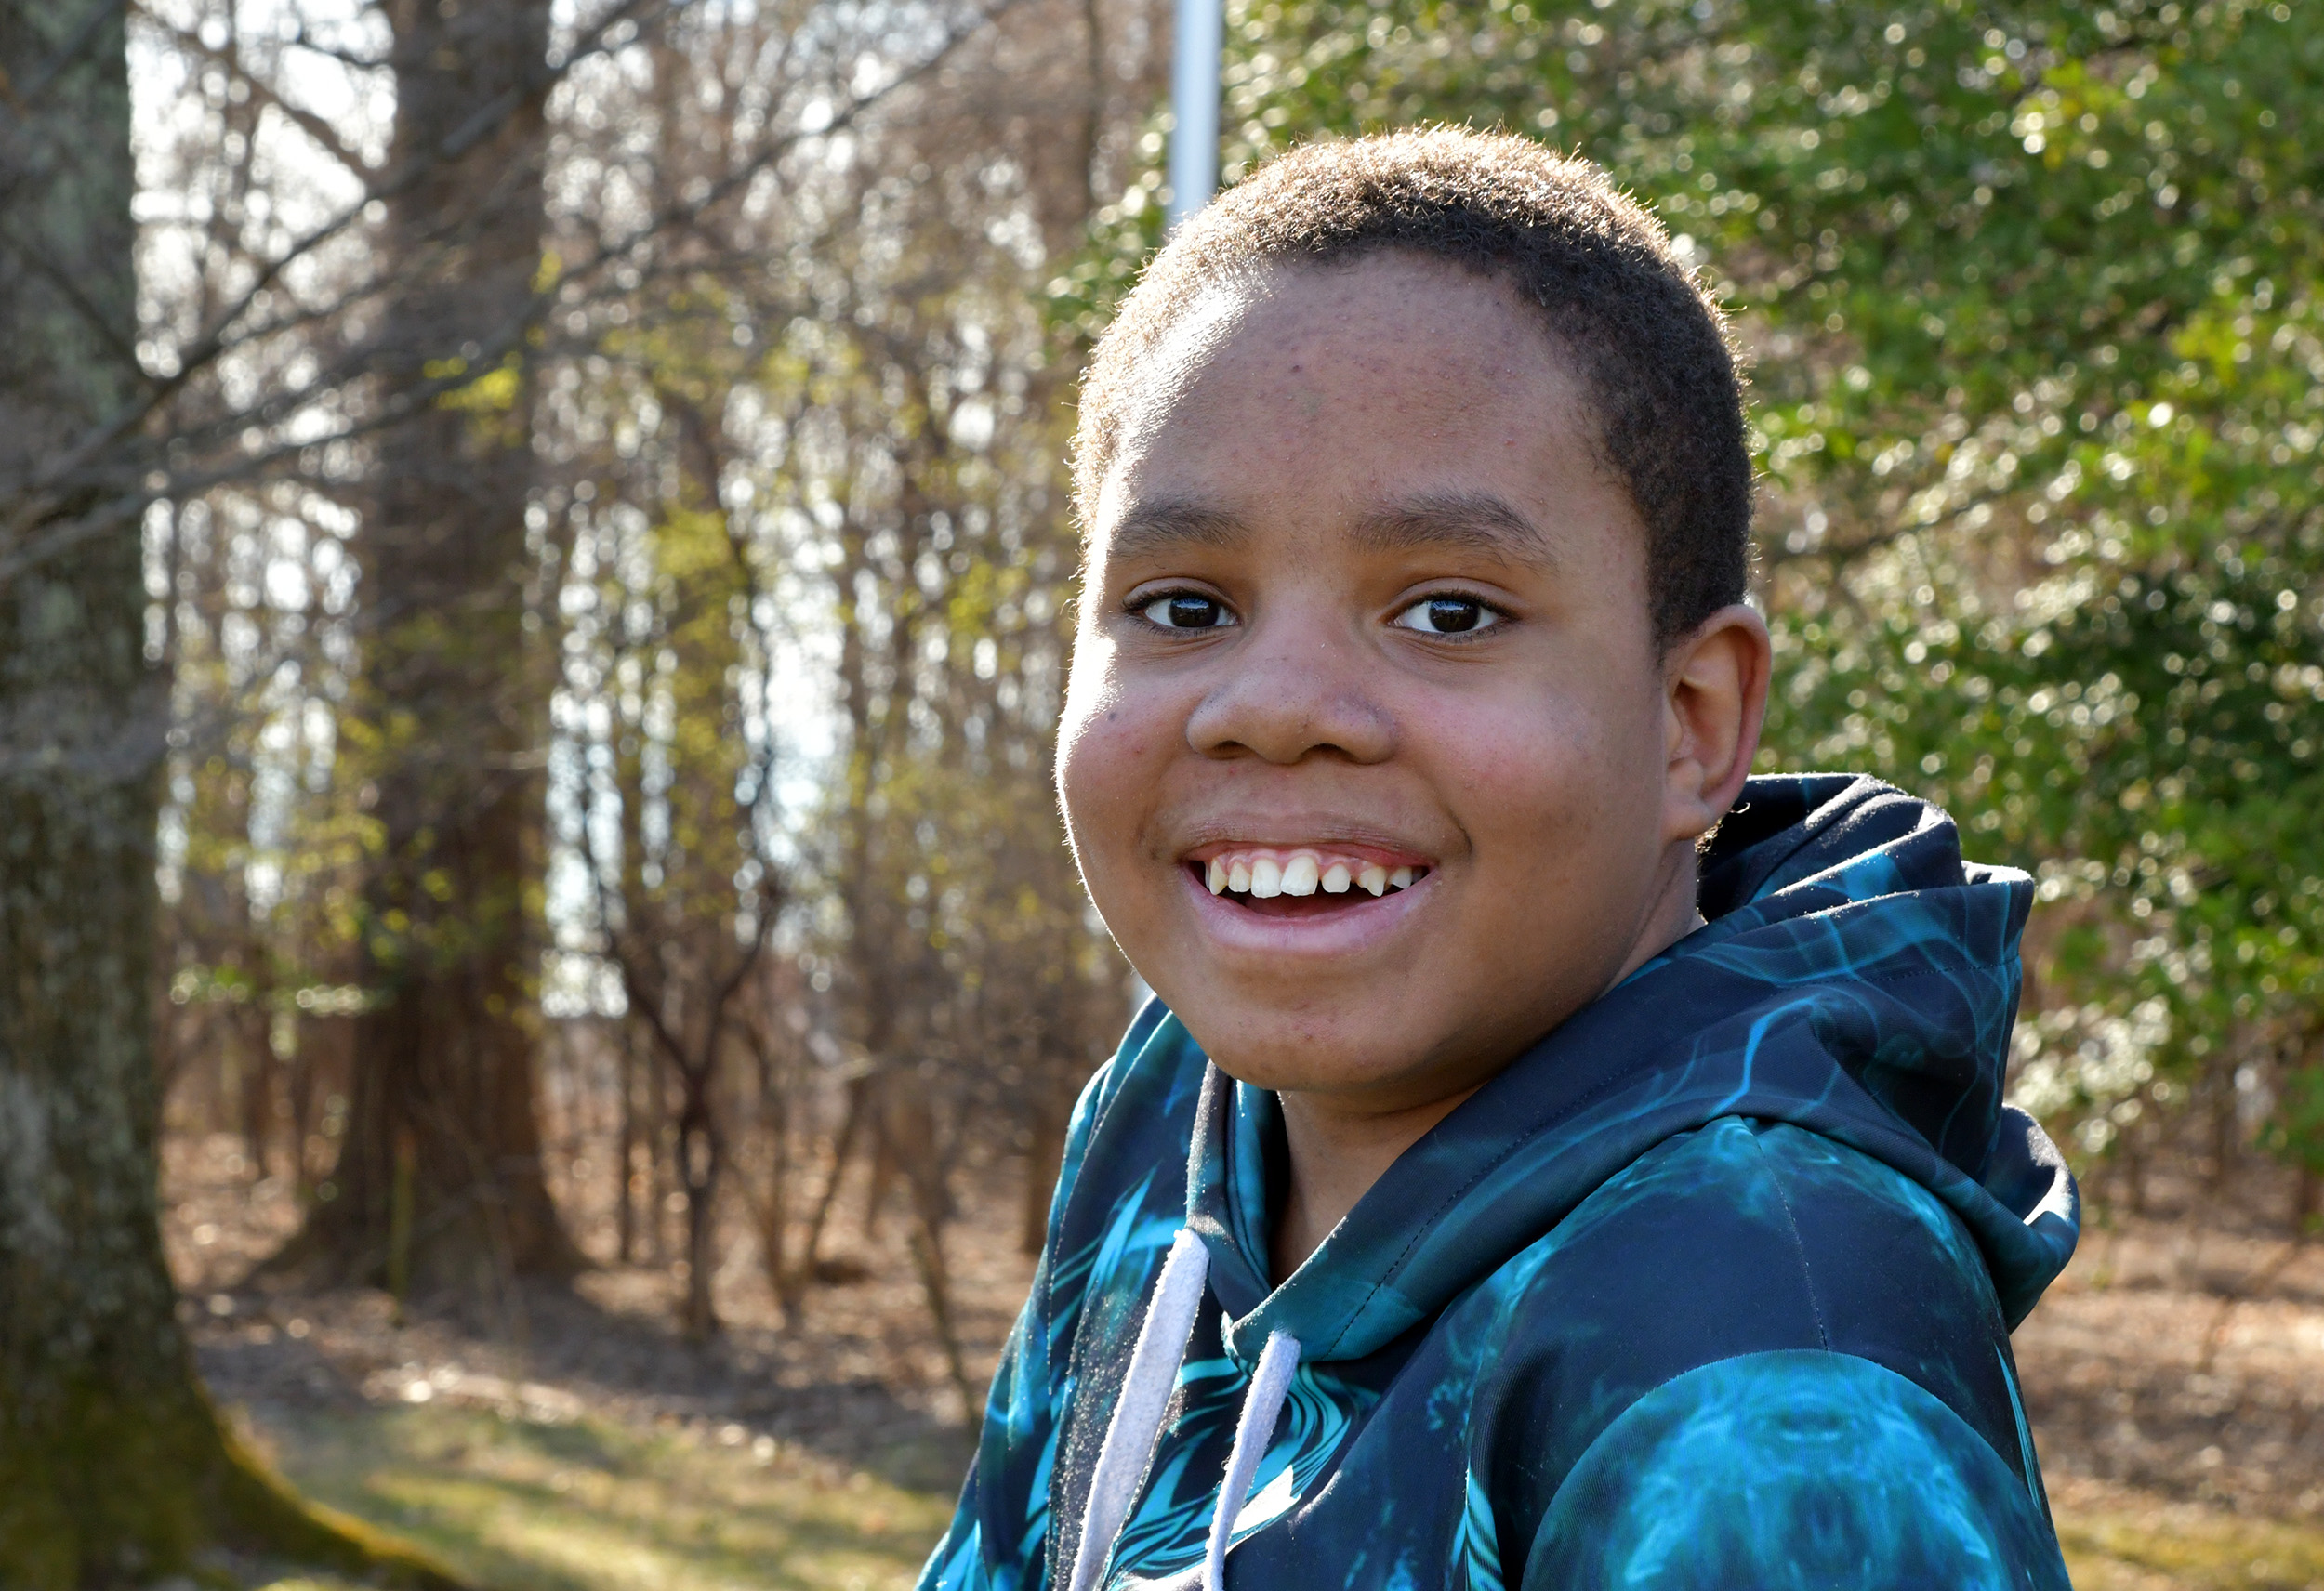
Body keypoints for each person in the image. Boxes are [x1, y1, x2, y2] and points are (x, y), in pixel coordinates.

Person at [918, 127, 2079, 1591]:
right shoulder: (1179, 1111)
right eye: (1185, 605)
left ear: (1688, 725)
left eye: (1450, 613)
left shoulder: (1765, 1373)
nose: (1273, 707)